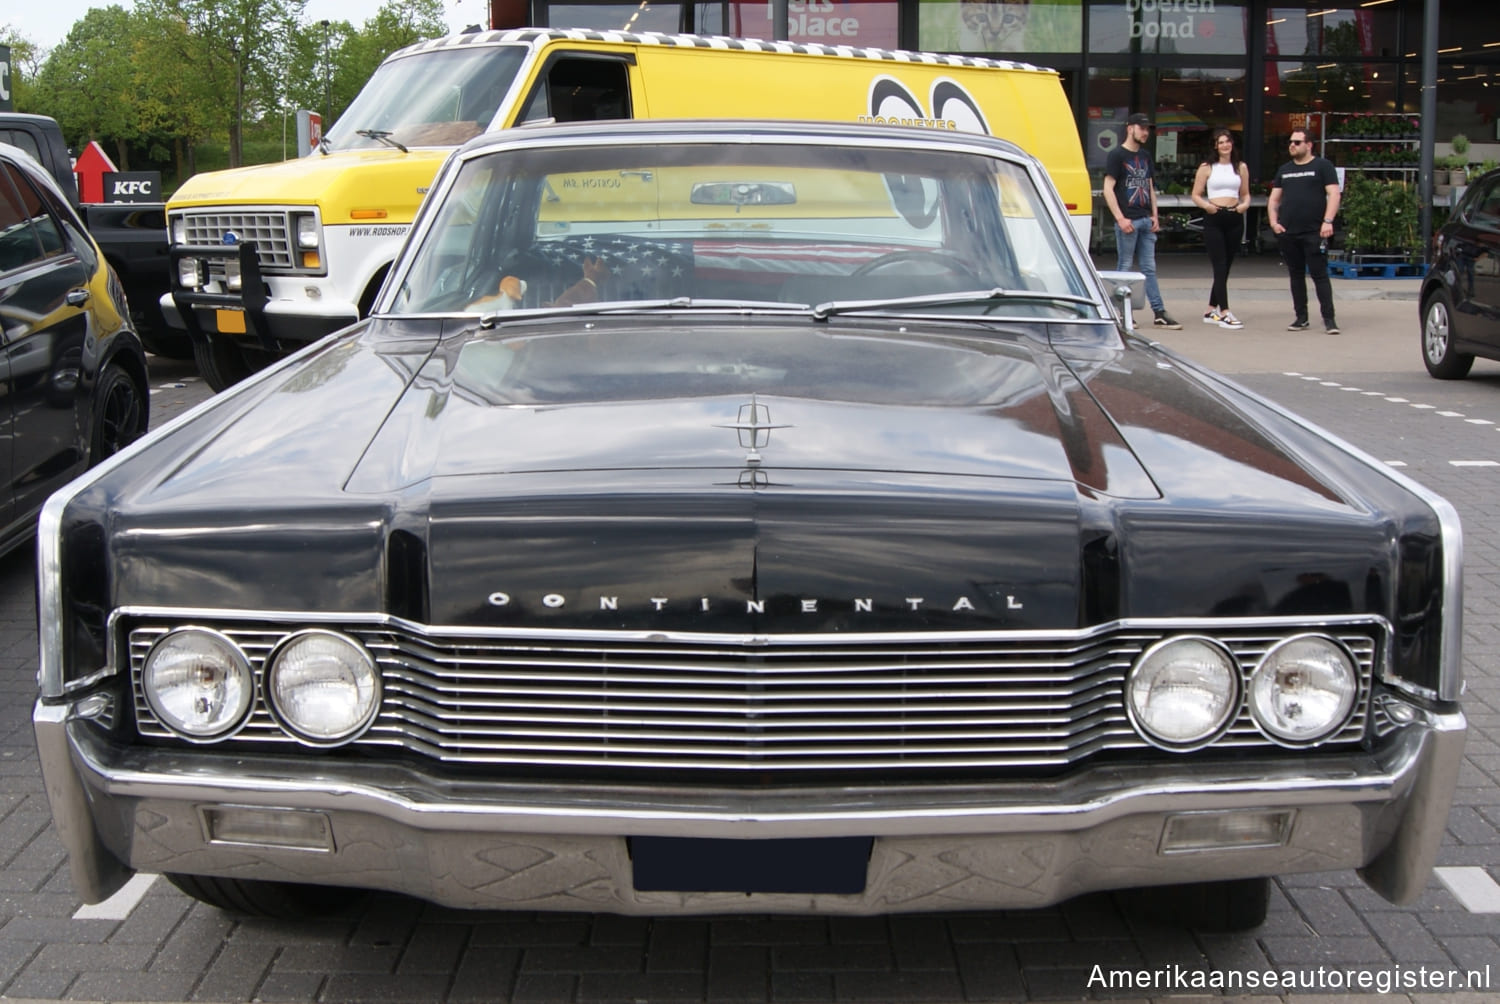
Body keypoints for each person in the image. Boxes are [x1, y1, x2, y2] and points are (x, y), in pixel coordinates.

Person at [1102, 112, 1181, 329]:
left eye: (1147, 129)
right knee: (1124, 266)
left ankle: (1159, 311)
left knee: (1149, 268)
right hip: (1128, 219)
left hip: (1145, 219)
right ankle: (1120, 312)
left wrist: (1155, 214)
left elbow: (1149, 187)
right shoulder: (1117, 155)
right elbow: (1108, 188)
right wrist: (1120, 218)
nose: (1145, 132)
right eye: (1142, 128)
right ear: (1130, 128)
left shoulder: (1145, 156)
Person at [1267, 128, 1341, 334]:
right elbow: (1274, 198)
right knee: (1296, 275)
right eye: (1290, 142)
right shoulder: (1285, 169)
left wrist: (1328, 221)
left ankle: (1329, 319)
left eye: (1297, 142)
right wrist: (1274, 222)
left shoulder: (1322, 166)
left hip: (1314, 231)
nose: (1292, 145)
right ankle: (1301, 317)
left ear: (1309, 145)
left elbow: (1334, 193)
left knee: (1319, 275)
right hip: (1289, 232)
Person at [1191, 128, 1252, 329]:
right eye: (1221, 142)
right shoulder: (1207, 167)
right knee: (1220, 264)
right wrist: (1208, 206)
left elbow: (1246, 193)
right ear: (1215, 146)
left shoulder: (1240, 167)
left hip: (1234, 216)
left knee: (1226, 266)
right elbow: (1196, 194)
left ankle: (1210, 309)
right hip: (1214, 216)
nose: (1225, 145)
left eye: (1228, 141)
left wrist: (1244, 205)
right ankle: (1224, 311)